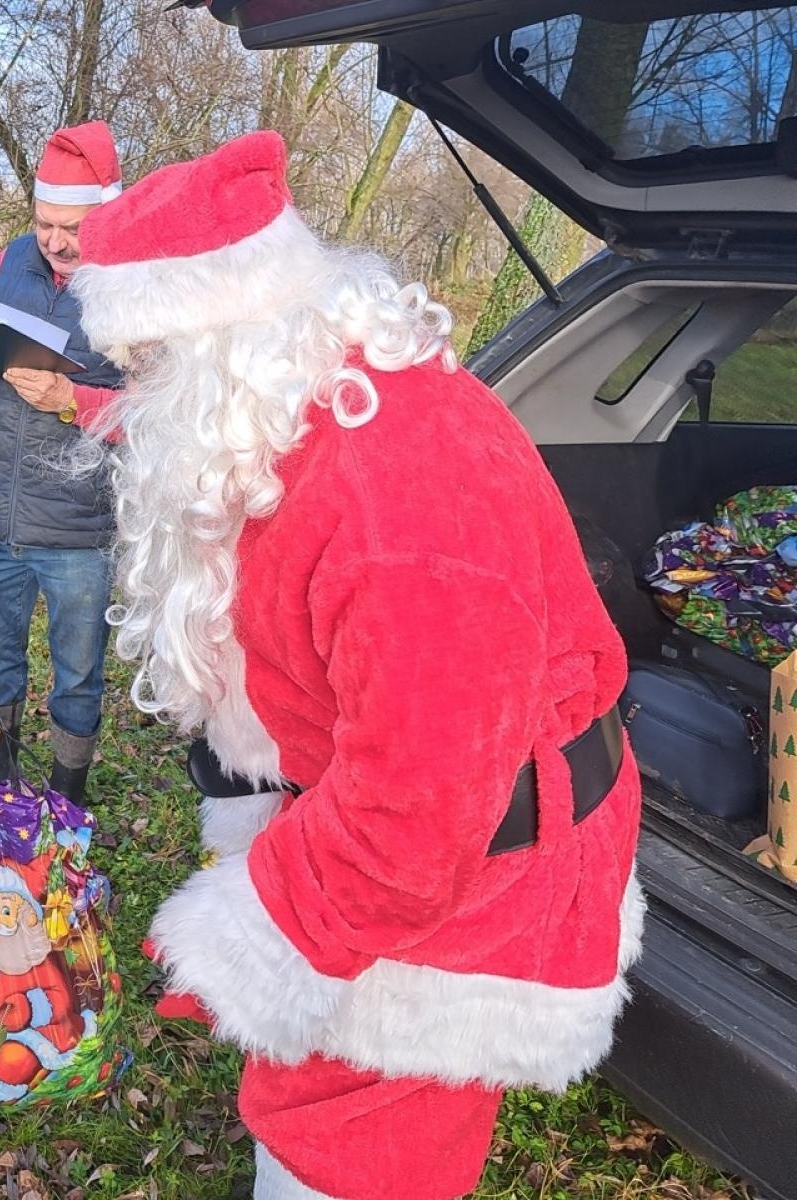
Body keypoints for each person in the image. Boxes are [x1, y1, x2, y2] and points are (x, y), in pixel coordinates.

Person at [67, 131, 643, 1200]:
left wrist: (251, 935)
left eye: (147, 364)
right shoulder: (306, 414)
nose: (130, 401)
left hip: (474, 874)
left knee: (351, 1150)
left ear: (224, 339)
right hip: (418, 825)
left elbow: (415, 821)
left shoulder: (393, 507)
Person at [0, 121, 125, 802]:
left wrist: (71, 397)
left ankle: (67, 799)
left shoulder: (137, 288)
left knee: (78, 675)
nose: (54, 241)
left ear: (107, 215)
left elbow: (155, 409)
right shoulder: (10, 261)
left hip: (78, 532)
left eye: (71, 226)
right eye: (45, 223)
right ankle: (1, 790)